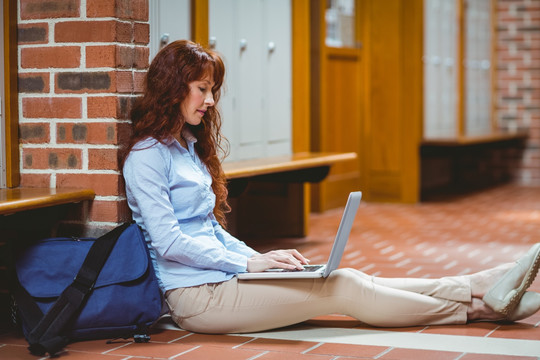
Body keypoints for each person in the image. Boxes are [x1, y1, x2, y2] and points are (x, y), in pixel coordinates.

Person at [122, 40, 540, 334]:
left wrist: (261, 259)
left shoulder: (186, 147)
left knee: (345, 275)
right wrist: (249, 267)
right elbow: (169, 241)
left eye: (211, 90)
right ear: (173, 89)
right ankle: (482, 301)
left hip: (225, 278)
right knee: (343, 287)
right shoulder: (147, 157)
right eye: (202, 89)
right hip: (196, 298)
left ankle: (481, 290)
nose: (211, 100)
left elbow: (208, 228)